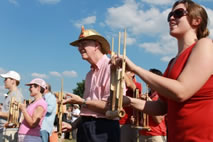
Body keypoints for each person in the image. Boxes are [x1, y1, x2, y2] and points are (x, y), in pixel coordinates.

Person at [113, 0, 213, 142]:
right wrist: (128, 101)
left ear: (197, 20)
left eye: (178, 13)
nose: (171, 18)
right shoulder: (172, 62)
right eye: (170, 15)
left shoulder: (205, 44)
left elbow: (181, 91)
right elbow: (161, 107)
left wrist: (135, 69)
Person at [62, 26, 121, 142]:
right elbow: (87, 110)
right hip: (86, 128)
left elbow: (111, 107)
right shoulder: (89, 74)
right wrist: (73, 125)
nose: (80, 48)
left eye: (83, 44)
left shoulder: (111, 68)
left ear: (96, 45)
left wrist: (82, 101)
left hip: (103, 130)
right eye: (79, 45)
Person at [139, 69, 166, 142]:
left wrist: (148, 101)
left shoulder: (162, 95)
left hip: (156, 135)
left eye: (149, 77)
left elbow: (158, 120)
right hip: (143, 134)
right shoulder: (149, 96)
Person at [0, 70, 24, 142]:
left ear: (13, 81)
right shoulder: (11, 94)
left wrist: (0, 113)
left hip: (9, 131)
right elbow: (8, 110)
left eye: (6, 79)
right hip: (5, 130)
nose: (4, 81)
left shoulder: (16, 95)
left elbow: (15, 116)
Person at [119, 71, 142, 142]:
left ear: (133, 74)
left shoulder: (137, 85)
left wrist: (121, 70)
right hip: (118, 121)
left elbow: (129, 84)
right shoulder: (119, 85)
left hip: (127, 123)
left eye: (126, 71)